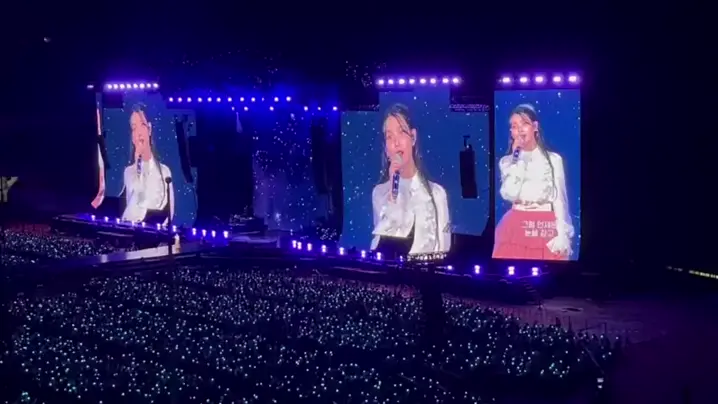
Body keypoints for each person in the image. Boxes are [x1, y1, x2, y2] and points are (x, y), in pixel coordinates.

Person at [493, 104, 574, 260]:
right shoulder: (507, 161)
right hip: (515, 224)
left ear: (535, 127)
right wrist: (517, 159)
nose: (520, 130)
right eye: (514, 126)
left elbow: (560, 200)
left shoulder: (553, 159)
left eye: (524, 124)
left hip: (544, 224)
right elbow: (509, 194)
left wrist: (562, 234)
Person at [371, 103, 451, 256]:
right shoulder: (380, 193)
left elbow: (443, 248)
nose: (396, 143)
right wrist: (393, 192)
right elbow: (384, 242)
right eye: (389, 137)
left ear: (413, 137)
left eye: (401, 133)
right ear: (386, 148)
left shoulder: (436, 193)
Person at [121, 104, 174, 223]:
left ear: (149, 129)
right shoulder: (129, 172)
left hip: (154, 228)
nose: (138, 133)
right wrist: (137, 163)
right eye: (134, 128)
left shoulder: (164, 171)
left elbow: (168, 212)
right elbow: (136, 202)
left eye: (142, 125)